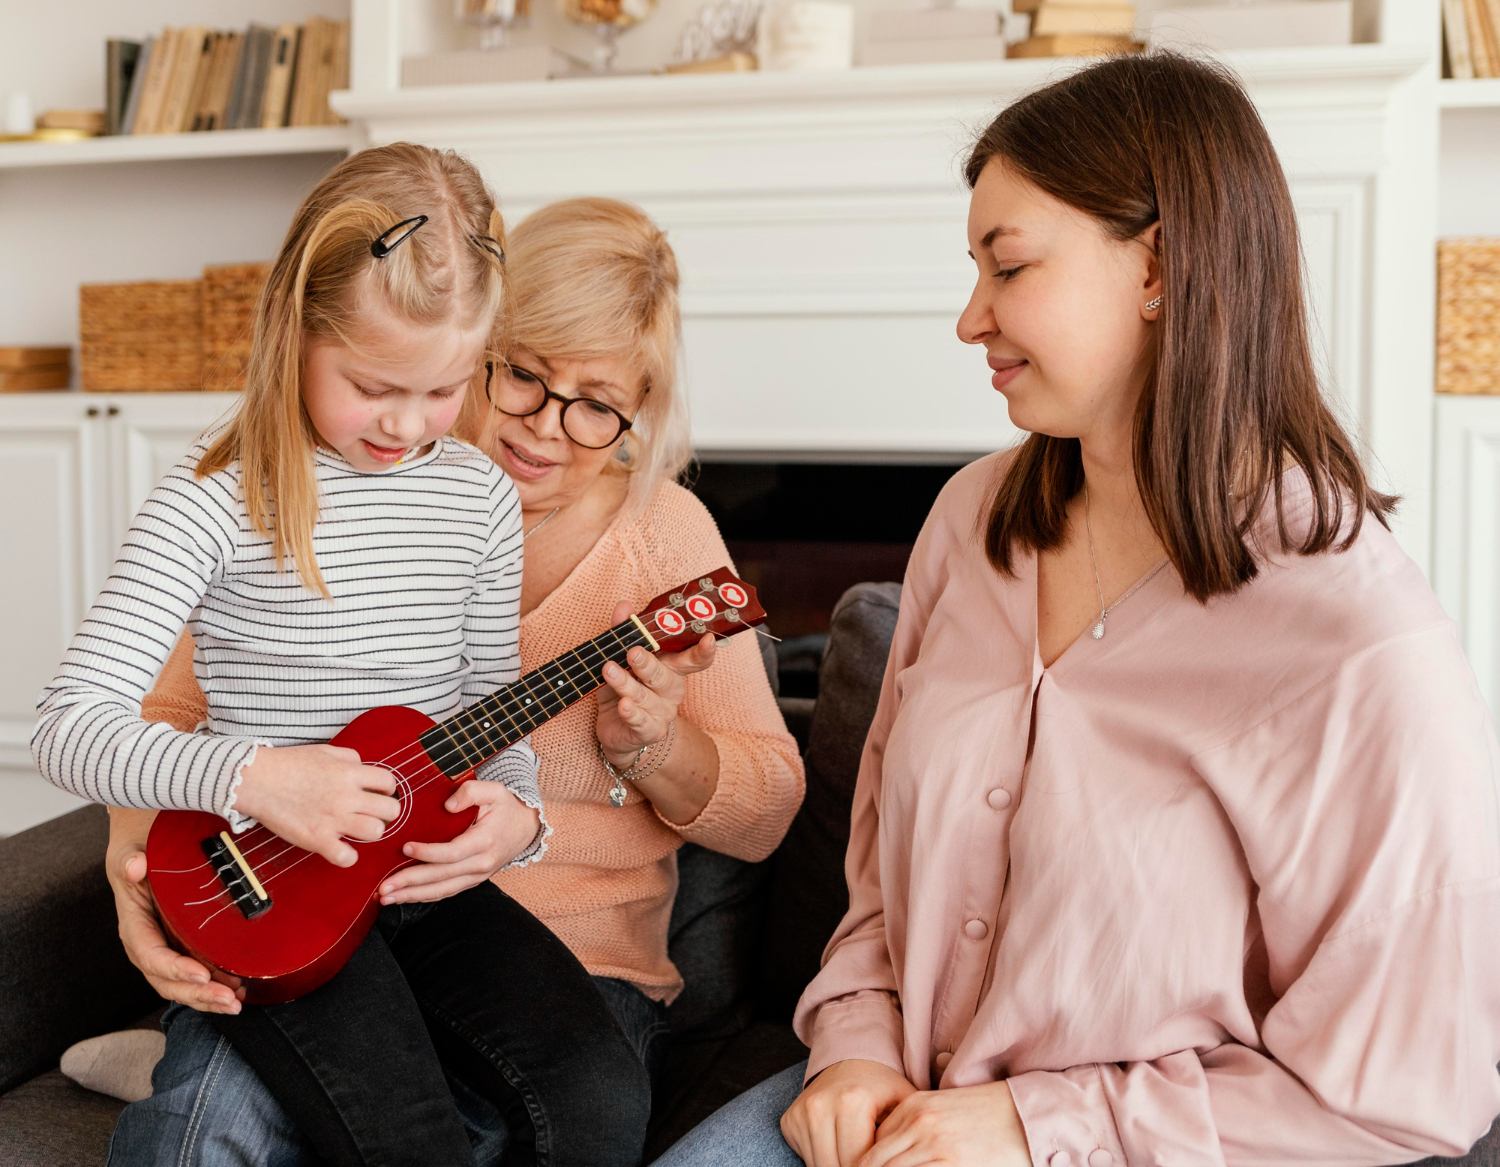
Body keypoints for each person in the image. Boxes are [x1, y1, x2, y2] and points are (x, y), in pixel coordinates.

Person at [653, 52, 1500, 1167]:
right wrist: (854, 1047)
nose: (970, 319)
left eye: (1008, 267)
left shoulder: (1357, 639)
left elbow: (1407, 1092)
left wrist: (1035, 1125)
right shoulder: (969, 523)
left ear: (1159, 266)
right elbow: (879, 894)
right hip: (893, 1109)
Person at [101, 194, 805, 1162]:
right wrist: (135, 872)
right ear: (468, 345)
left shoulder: (665, 536)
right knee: (206, 1126)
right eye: (522, 374)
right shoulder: (339, 477)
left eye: (597, 405)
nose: (547, 428)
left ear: (637, 413)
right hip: (307, 905)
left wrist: (654, 748)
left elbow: (768, 814)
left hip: (569, 954)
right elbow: (164, 711)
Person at [35, 143, 655, 1167]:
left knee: (601, 1097)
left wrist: (516, 815)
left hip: (418, 878)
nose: (409, 425)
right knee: (406, 1141)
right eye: (374, 385)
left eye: (445, 388)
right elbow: (70, 728)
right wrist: (259, 778)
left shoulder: (478, 497)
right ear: (296, 331)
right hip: (267, 890)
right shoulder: (210, 499)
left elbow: (481, 703)